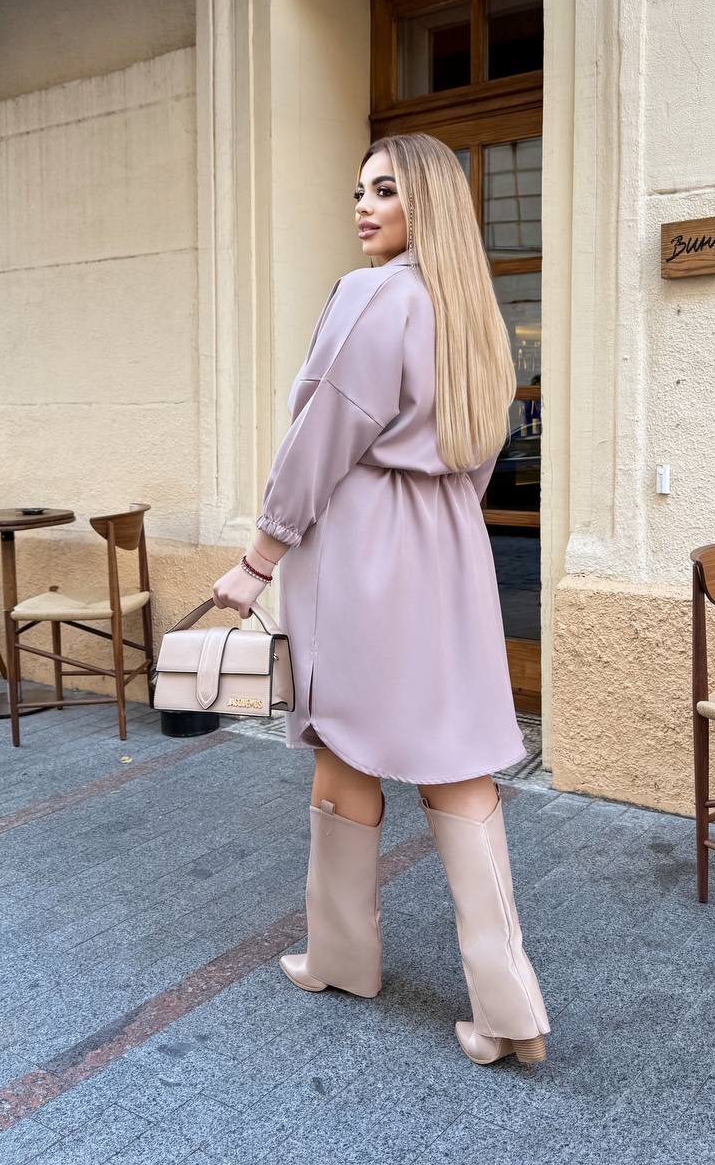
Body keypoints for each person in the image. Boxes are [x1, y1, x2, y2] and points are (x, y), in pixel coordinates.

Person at [212, 132, 550, 1066]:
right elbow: (478, 457)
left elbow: (324, 434)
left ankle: (343, 956)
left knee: (340, 738)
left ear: (425, 203)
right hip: (449, 550)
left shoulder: (375, 295)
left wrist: (259, 558)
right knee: (454, 760)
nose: (363, 205)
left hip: (364, 558)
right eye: (360, 189)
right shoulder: (472, 311)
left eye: (386, 190)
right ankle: (507, 1007)